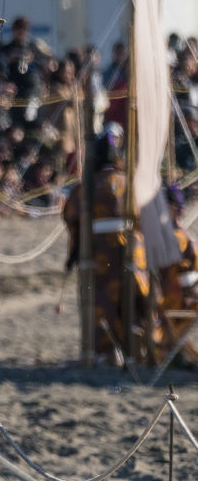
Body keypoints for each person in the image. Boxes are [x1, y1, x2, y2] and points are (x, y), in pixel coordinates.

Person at [63, 127, 149, 364]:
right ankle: (135, 347)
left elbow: (73, 220)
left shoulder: (85, 188)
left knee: (102, 301)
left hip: (100, 252)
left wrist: (73, 255)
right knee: (130, 298)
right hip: (132, 249)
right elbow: (144, 218)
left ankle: (106, 351)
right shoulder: (132, 184)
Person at [156, 185, 198, 368]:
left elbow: (191, 283)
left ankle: (173, 350)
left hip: (175, 303)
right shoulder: (158, 238)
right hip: (160, 300)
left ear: (174, 208)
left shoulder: (185, 240)